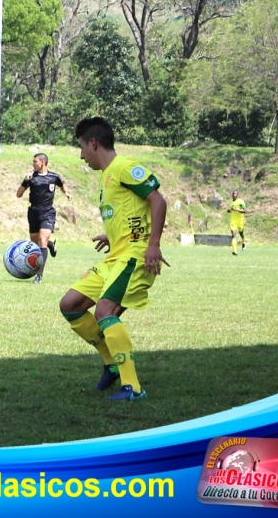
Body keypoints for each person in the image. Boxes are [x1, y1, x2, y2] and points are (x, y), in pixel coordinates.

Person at [59, 117, 168, 401]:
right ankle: (111, 364)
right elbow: (130, 210)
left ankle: (132, 387)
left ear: (93, 143)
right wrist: (112, 235)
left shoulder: (124, 167)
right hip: (116, 255)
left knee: (104, 311)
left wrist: (153, 244)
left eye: (82, 148)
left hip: (134, 256)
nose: (82, 155)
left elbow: (158, 200)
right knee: (70, 305)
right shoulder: (107, 175)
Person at [16, 153, 72, 284]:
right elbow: (18, 194)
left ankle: (39, 275)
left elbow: (62, 185)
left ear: (42, 162)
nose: (33, 164)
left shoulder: (54, 176)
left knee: (42, 240)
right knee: (36, 244)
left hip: (48, 212)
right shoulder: (31, 177)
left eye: (35, 162)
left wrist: (67, 193)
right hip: (33, 212)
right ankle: (50, 244)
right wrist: (25, 180)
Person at [228, 190, 247, 255]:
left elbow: (244, 211)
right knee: (233, 235)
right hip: (233, 221)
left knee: (241, 233)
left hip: (240, 220)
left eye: (236, 194)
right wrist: (229, 210)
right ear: (232, 195)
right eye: (233, 193)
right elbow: (231, 210)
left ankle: (243, 243)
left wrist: (236, 209)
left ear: (238, 195)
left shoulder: (240, 202)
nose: (234, 195)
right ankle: (235, 251)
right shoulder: (231, 203)